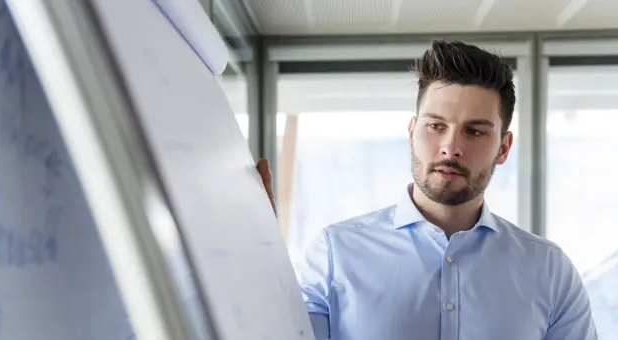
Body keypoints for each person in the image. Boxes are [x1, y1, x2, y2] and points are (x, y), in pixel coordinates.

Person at [256, 40, 597, 340]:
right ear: (411, 132)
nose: (450, 147)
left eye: (475, 132)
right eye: (436, 126)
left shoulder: (549, 270)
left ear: (504, 148)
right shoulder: (335, 254)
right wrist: (254, 256)